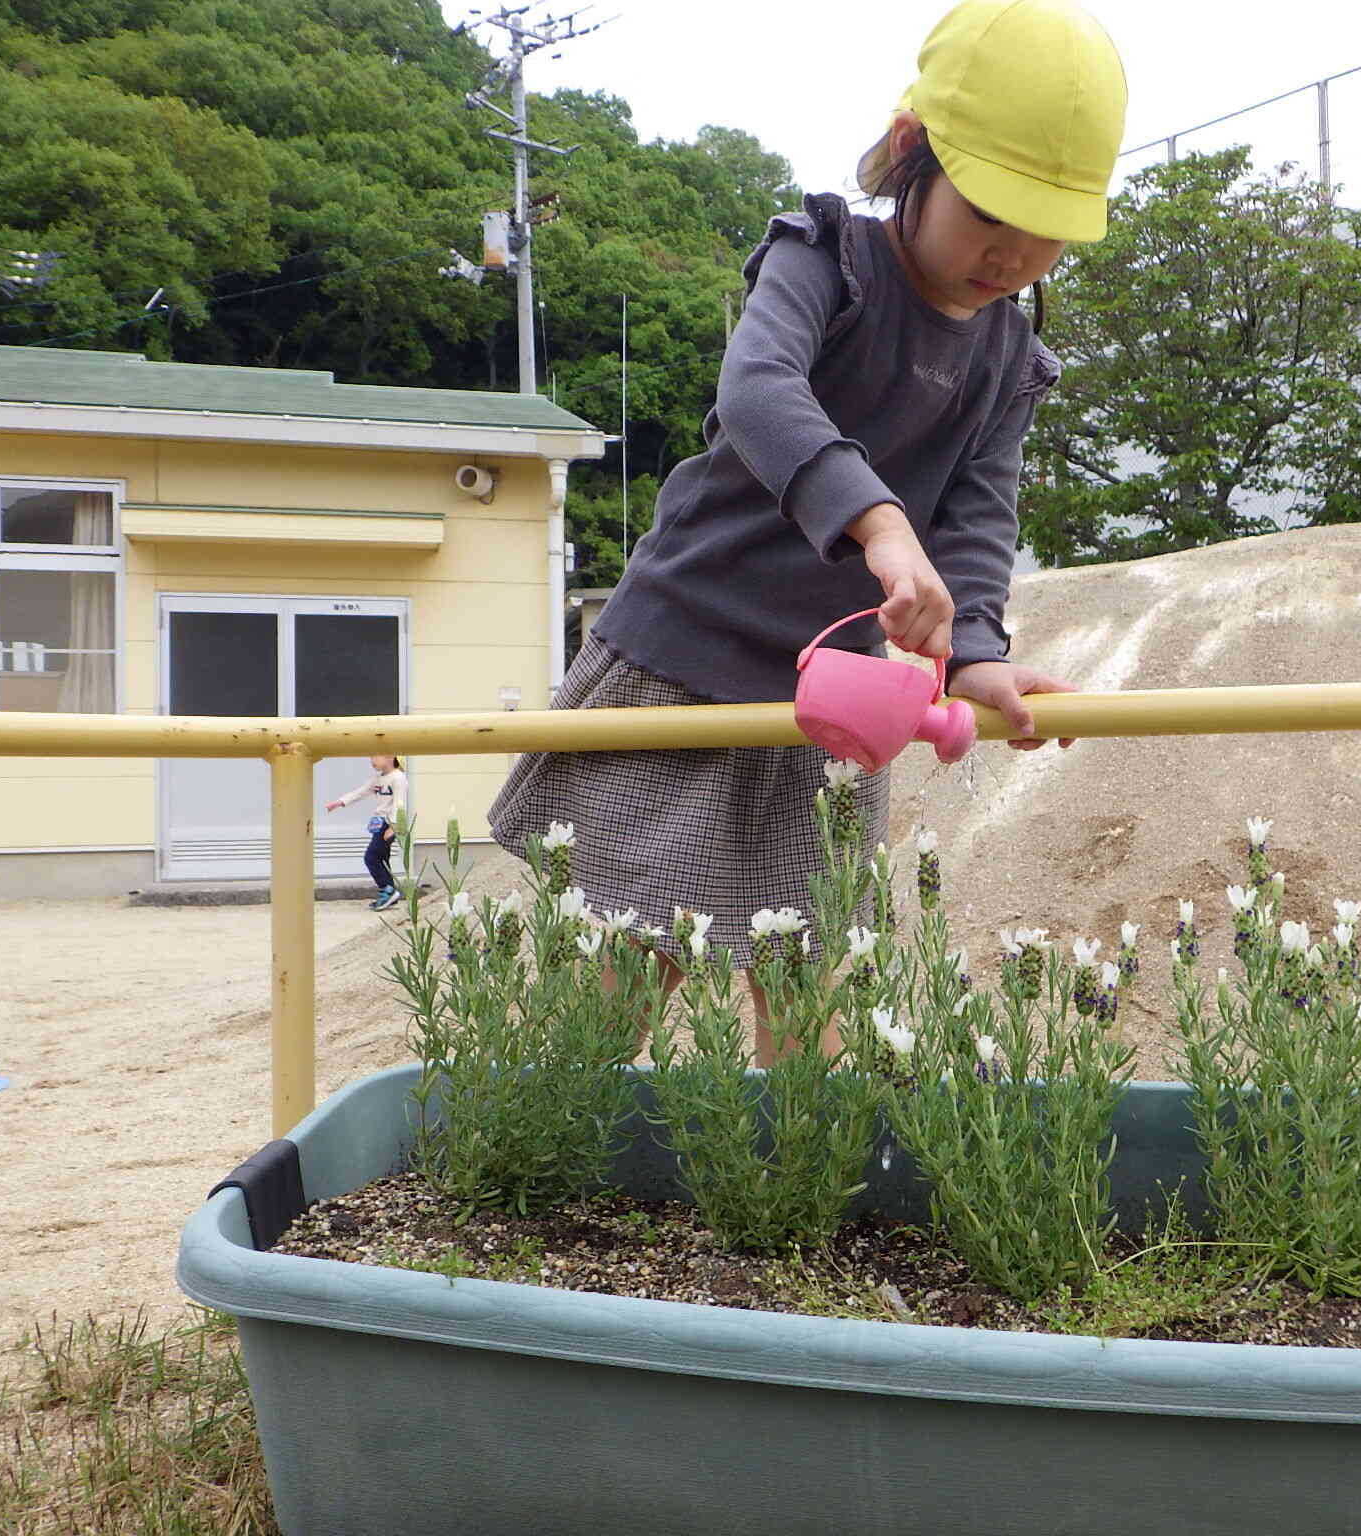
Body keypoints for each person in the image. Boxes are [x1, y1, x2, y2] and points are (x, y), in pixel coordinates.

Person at [489, 0, 1126, 1057]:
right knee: (633, 958)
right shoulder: (825, 257)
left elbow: (978, 514)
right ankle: (557, 1139)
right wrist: (880, 524)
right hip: (684, 649)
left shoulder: (1010, 358)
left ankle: (799, 1159)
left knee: (806, 970)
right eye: (989, 211)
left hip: (829, 698)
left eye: (1045, 226)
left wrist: (976, 653)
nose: (1012, 253)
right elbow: (758, 390)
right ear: (912, 149)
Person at [327, 753, 409, 911]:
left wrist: (393, 827)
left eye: (375, 756)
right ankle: (389, 892)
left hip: (388, 824)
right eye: (370, 757)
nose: (372, 760)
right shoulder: (378, 778)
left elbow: (400, 804)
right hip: (379, 822)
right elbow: (361, 792)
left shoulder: (398, 778)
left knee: (371, 858)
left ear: (390, 756)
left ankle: (387, 890)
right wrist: (340, 802)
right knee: (382, 859)